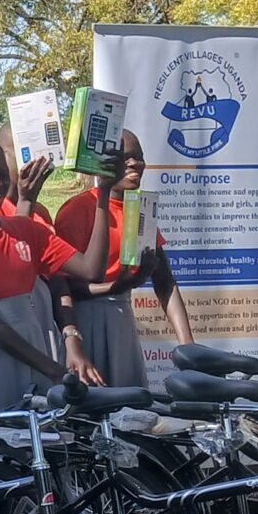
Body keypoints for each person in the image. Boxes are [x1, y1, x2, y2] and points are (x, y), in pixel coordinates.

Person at [0, 134, 114, 414]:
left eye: (2, 175)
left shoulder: (25, 231)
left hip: (32, 349)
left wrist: (104, 195)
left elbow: (91, 269)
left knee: (33, 441)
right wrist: (50, 367)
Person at [49, 128, 194, 385]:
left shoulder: (140, 209)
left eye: (138, 156)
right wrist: (116, 286)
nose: (134, 163)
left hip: (121, 318)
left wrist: (188, 347)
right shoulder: (78, 210)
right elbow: (64, 287)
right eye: (124, 157)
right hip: (86, 321)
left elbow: (165, 280)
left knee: (130, 402)